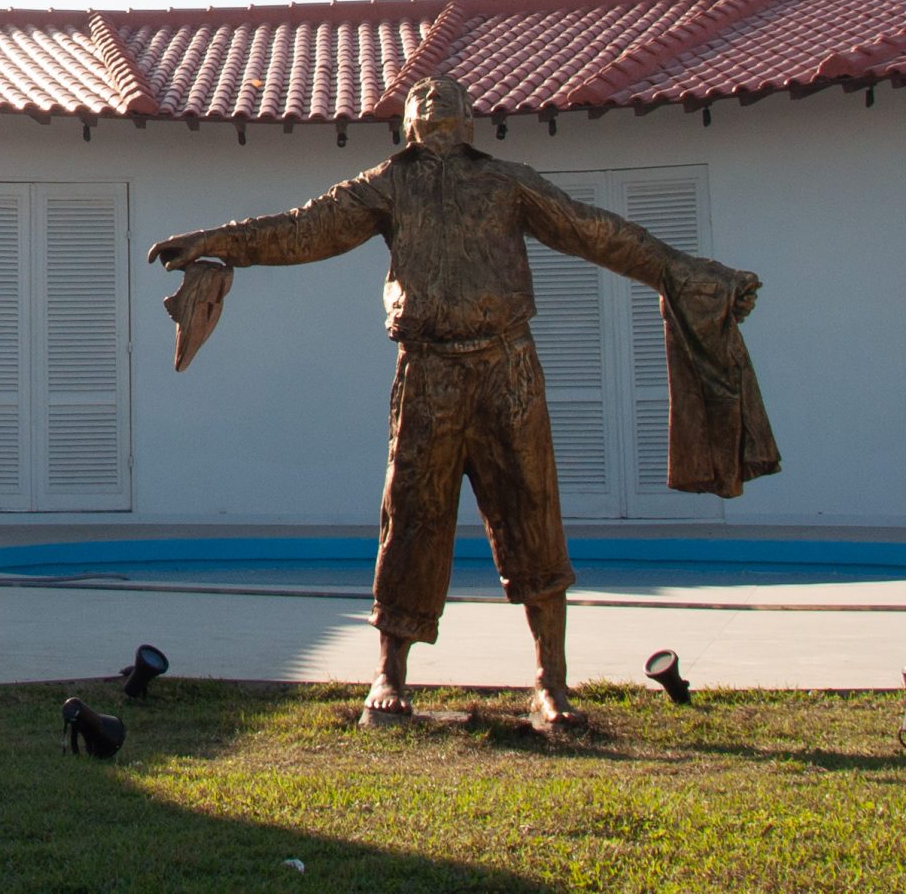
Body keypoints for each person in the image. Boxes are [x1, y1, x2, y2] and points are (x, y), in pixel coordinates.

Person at [147, 74, 763, 731]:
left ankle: (550, 682)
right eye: (424, 99)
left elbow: (598, 233)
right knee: (411, 512)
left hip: (507, 366)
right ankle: (389, 674)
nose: (437, 105)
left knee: (533, 509)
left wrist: (689, 272)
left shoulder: (507, 182)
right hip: (428, 369)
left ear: (471, 119)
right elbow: (304, 230)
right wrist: (214, 240)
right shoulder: (392, 182)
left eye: (451, 100)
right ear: (408, 121)